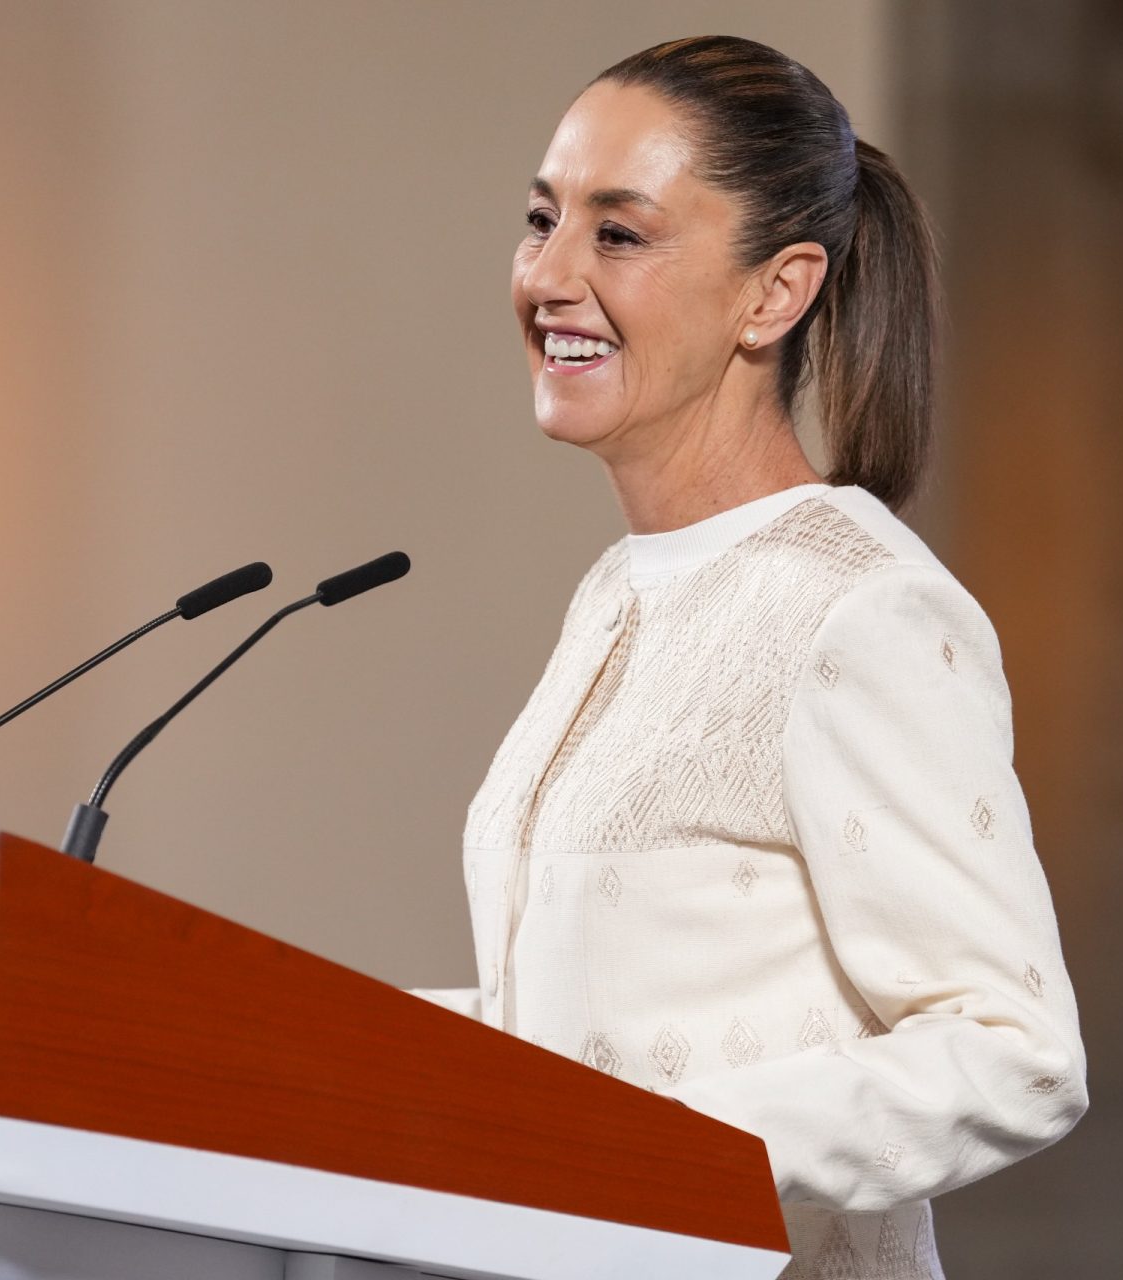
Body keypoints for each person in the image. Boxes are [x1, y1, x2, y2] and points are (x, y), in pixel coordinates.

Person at [411, 35, 1086, 1278]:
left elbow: (1016, 1048)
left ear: (774, 294)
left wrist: (645, 1147)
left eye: (619, 233)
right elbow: (582, 1027)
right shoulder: (619, 593)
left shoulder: (860, 608)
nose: (548, 275)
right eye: (542, 219)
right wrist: (300, 1046)